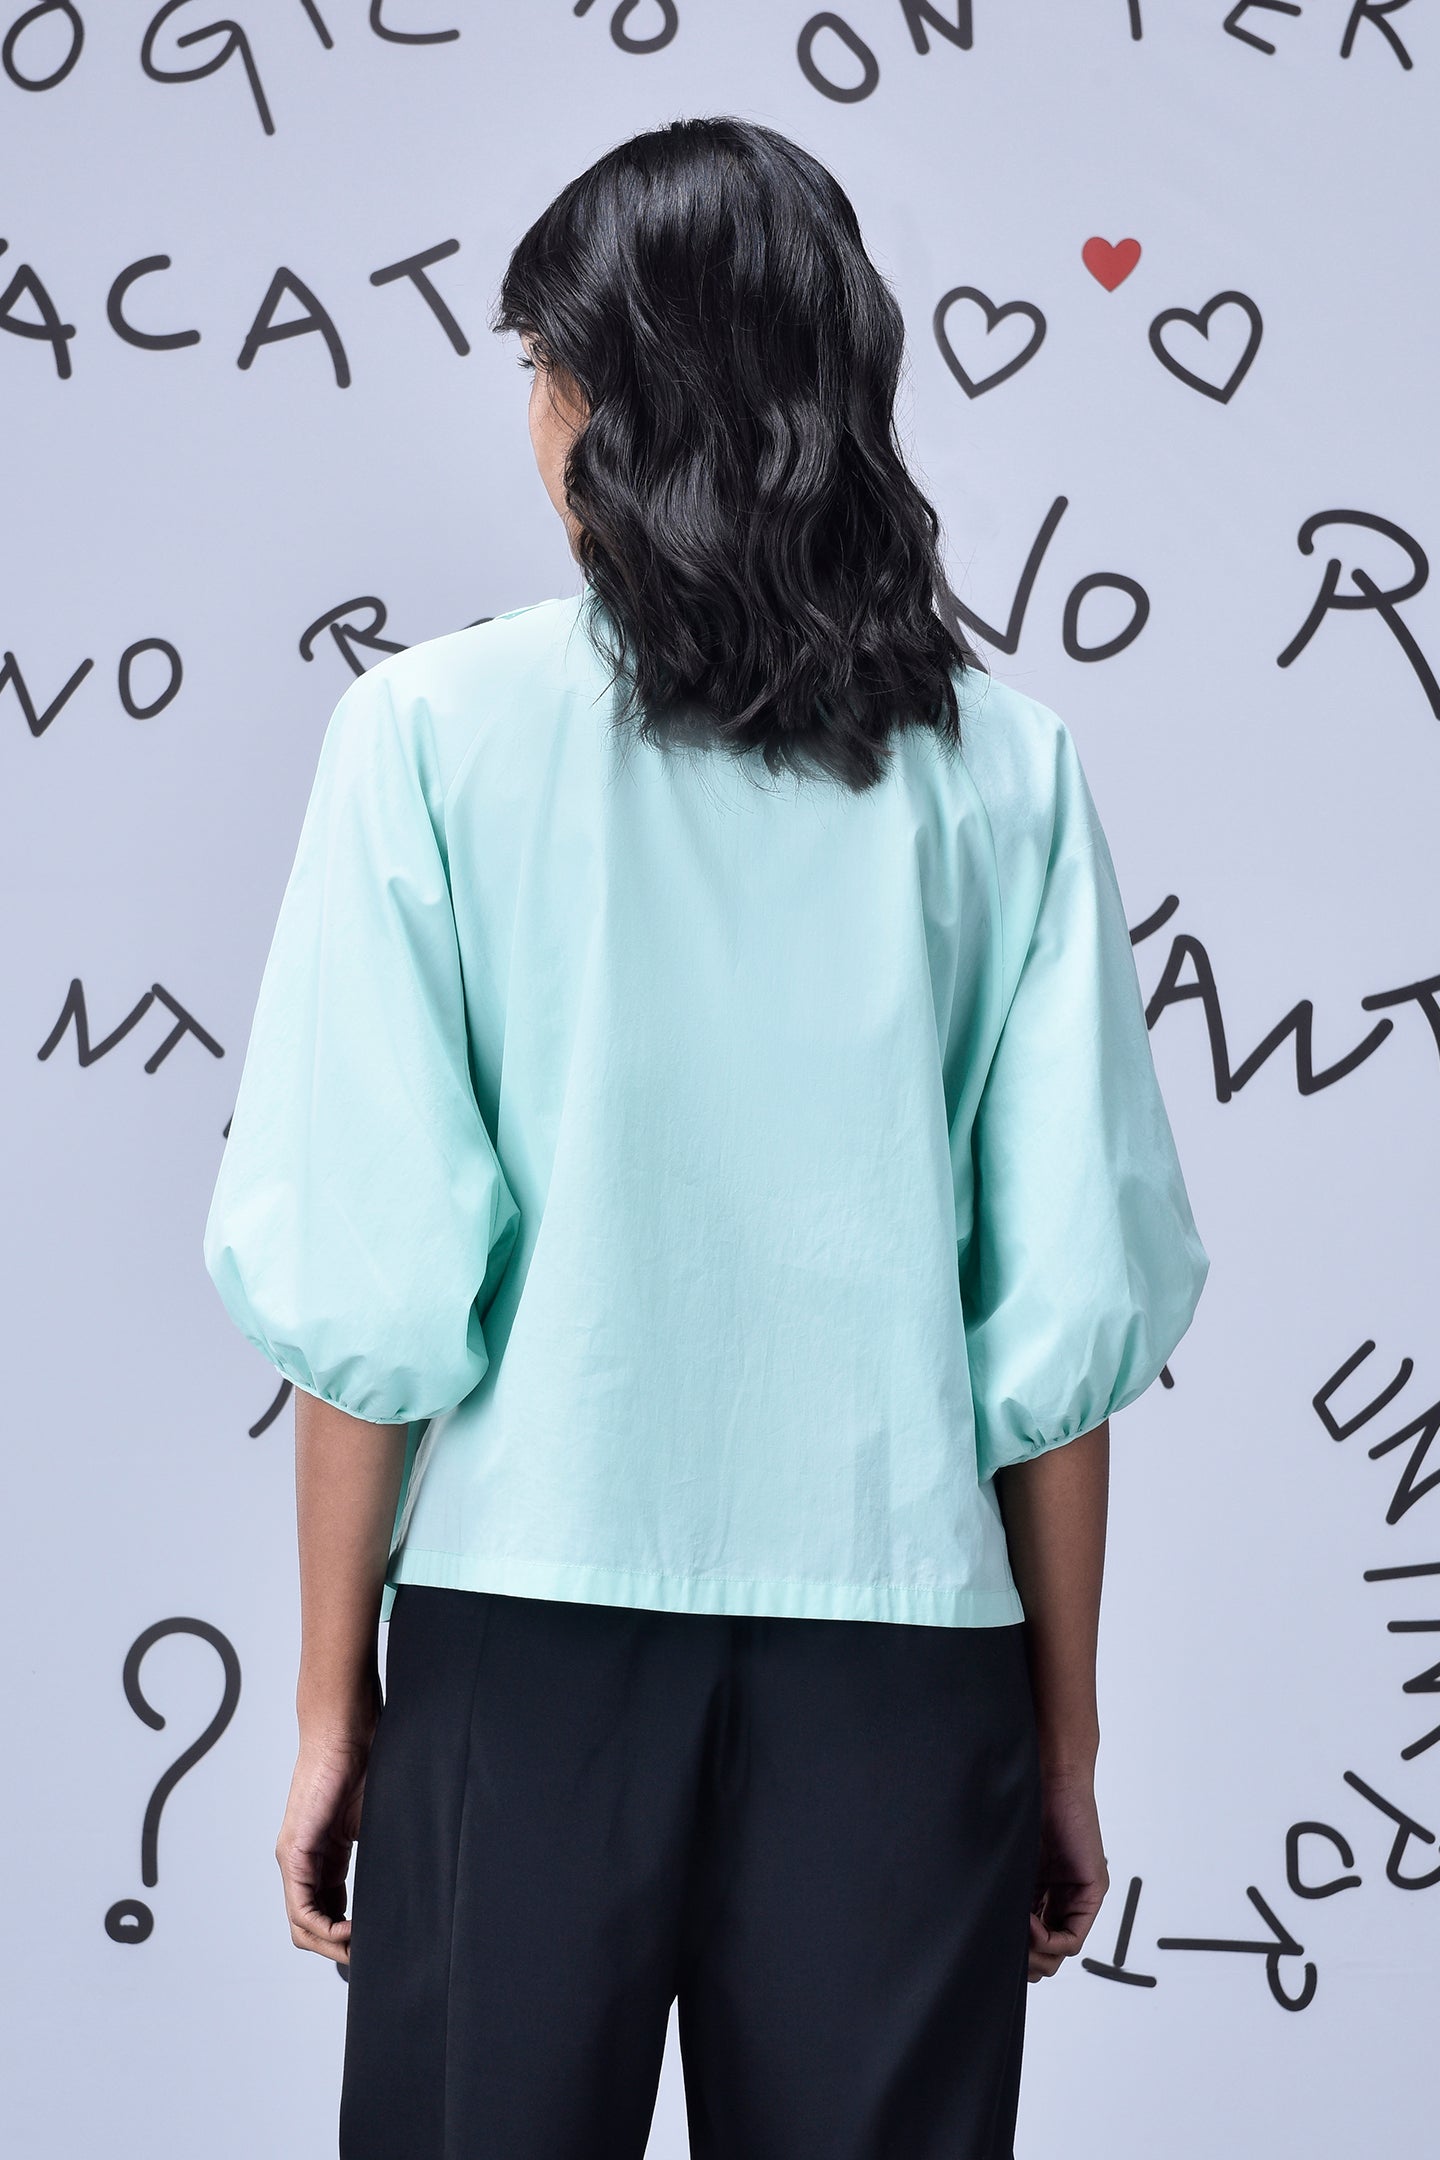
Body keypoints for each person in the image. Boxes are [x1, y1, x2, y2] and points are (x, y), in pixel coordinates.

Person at [202, 115, 1209, 2160]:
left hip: (524, 1639)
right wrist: (1064, 1741)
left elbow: (372, 1287)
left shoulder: (425, 738)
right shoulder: (1007, 774)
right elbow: (1060, 1325)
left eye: (540, 365)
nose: (533, 415)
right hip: (907, 1645)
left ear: (609, 396)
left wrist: (328, 1706)